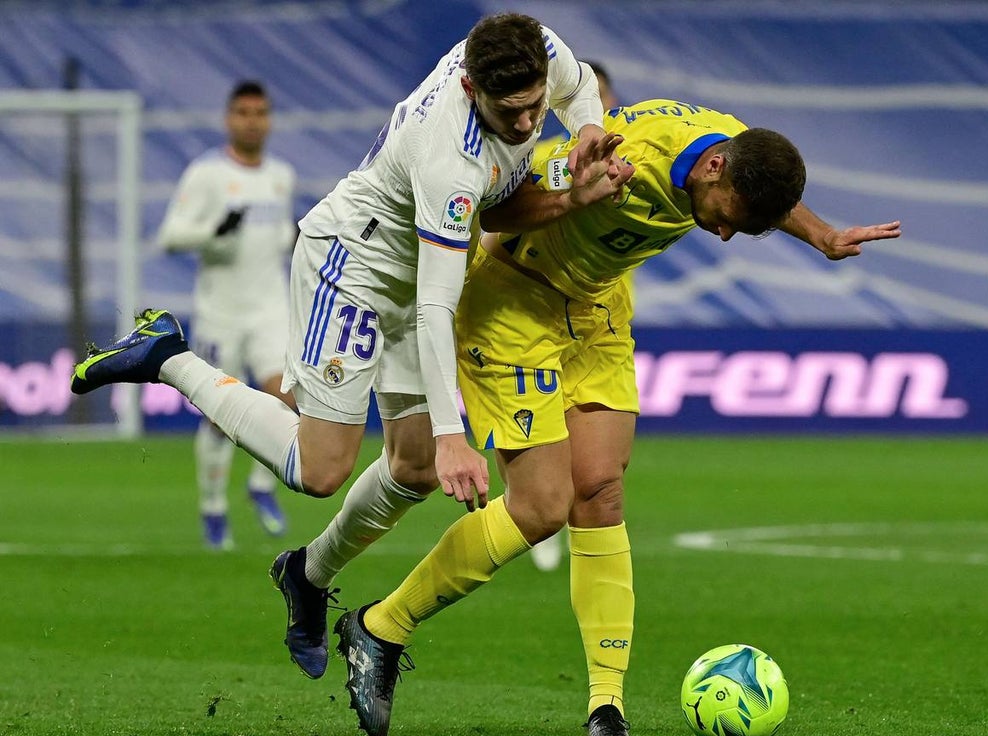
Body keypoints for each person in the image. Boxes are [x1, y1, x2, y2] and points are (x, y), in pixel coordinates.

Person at [315, 99, 901, 736]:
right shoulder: (627, 163)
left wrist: (820, 235)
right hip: (513, 303)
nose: (725, 236)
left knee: (600, 491)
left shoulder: (735, 150)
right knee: (540, 507)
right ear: (713, 169)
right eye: (726, 218)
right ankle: (382, 624)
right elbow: (495, 194)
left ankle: (606, 704)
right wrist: (552, 205)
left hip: (595, 305)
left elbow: (762, 186)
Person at [70, 8, 627, 683]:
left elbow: (567, 104)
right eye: (509, 112)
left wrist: (589, 127)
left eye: (534, 105)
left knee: (414, 469)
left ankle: (306, 573)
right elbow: (436, 302)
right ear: (471, 90)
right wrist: (454, 432)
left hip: (416, 269)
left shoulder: (533, 47)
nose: (525, 123)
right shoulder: (449, 154)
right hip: (358, 267)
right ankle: (167, 355)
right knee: (321, 468)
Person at [155, 80, 297, 550]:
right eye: (242, 112)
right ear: (228, 118)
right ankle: (213, 508)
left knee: (287, 398)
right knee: (218, 417)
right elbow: (170, 236)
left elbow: (280, 237)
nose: (252, 120)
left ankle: (261, 486)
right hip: (220, 312)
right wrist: (215, 231)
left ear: (269, 119)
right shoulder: (207, 174)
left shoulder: (281, 176)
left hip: (270, 309)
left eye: (260, 112)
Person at [528, 61, 619, 572]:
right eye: (590, 99)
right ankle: (541, 515)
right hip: (539, 318)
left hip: (600, 321)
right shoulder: (546, 159)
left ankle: (560, 514)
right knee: (544, 428)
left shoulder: (634, 157)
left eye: (604, 98)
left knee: (594, 453)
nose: (598, 110)